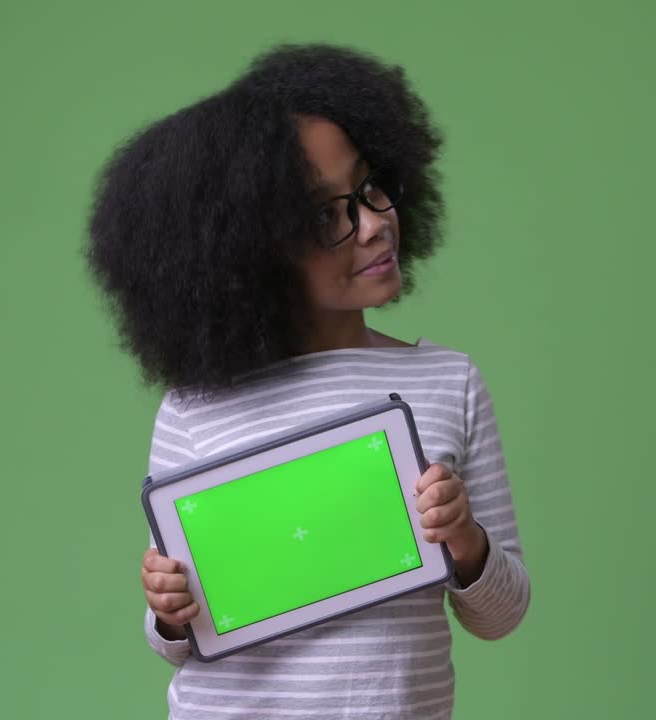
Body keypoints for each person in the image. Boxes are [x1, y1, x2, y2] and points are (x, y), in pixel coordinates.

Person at [84, 42, 530, 720]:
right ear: (251, 254)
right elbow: (175, 641)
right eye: (327, 215)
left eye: (372, 187)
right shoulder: (195, 409)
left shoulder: (448, 382)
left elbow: (502, 613)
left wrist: (465, 539)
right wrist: (168, 611)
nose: (376, 223)